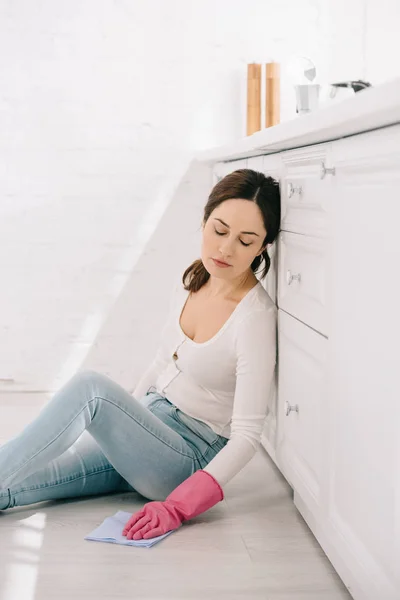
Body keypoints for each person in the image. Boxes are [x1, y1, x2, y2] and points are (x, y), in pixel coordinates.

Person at [0, 168, 281, 541]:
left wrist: (178, 505)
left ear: (262, 247)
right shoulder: (195, 280)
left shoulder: (254, 318)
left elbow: (247, 436)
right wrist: (128, 431)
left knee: (91, 388)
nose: (226, 248)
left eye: (246, 241)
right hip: (150, 432)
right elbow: (162, 363)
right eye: (219, 230)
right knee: (26, 479)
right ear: (204, 221)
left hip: (183, 461)